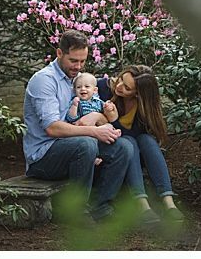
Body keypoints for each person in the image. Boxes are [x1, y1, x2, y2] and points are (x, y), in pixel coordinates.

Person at [23, 30, 131, 221]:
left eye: (83, 61)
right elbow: (52, 128)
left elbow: (98, 115)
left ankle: (99, 205)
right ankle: (77, 214)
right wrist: (94, 132)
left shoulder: (80, 80)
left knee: (124, 146)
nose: (78, 66)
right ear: (59, 53)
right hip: (43, 157)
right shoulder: (44, 81)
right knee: (86, 144)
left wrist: (99, 117)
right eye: (73, 61)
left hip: (74, 145)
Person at [98, 64, 183, 224]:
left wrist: (115, 121)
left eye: (127, 88)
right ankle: (142, 205)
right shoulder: (103, 87)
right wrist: (110, 120)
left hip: (133, 152)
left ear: (138, 94)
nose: (120, 86)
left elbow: (137, 135)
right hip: (110, 153)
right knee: (128, 141)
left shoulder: (142, 106)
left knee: (146, 139)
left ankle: (168, 202)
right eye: (122, 79)